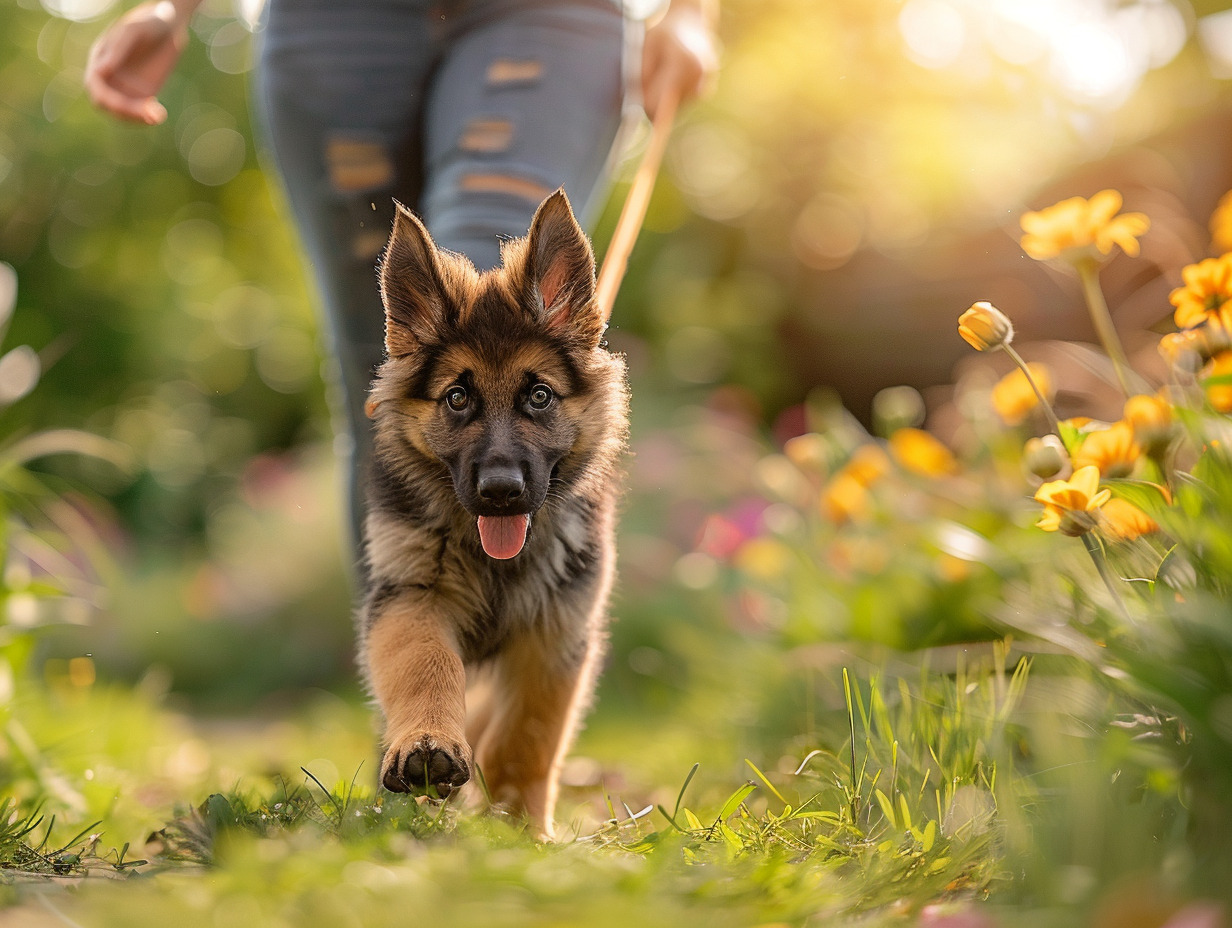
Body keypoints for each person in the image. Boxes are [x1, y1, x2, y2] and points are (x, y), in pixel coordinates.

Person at [84, 0, 718, 566]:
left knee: (489, 311)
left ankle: (521, 672)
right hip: (334, 27)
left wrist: (692, 10)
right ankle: (420, 688)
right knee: (391, 382)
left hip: (545, 19)